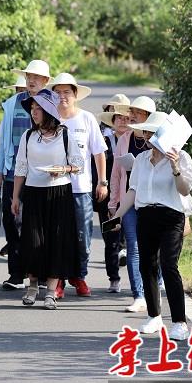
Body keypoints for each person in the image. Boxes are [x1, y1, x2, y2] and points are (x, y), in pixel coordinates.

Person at [111, 111, 192, 341]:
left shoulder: (182, 157)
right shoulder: (141, 159)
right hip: (146, 216)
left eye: (151, 132)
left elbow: (185, 189)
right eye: (146, 132)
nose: (147, 136)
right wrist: (117, 216)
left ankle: (179, 322)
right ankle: (154, 316)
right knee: (147, 265)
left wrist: (175, 166)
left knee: (169, 266)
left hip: (171, 217)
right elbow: (133, 191)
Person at [12, 89, 84, 310]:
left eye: (38, 109)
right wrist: (15, 196)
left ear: (48, 112)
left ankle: (51, 292)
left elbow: (78, 165)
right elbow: (21, 168)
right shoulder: (28, 136)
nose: (34, 113)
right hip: (33, 193)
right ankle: (33, 286)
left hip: (59, 193)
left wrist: (63, 169)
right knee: (33, 242)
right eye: (32, 109)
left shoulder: (65, 135)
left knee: (56, 242)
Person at [0, 59, 52, 290]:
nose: (31, 80)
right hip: (13, 172)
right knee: (12, 221)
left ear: (46, 81)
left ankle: (42, 274)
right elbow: (3, 140)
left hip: (42, 175)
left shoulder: (50, 104)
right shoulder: (12, 103)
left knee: (40, 225)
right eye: (29, 76)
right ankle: (16, 273)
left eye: (36, 77)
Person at [49, 73, 107, 298]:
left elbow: (99, 152)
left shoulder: (86, 119)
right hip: (55, 187)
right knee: (59, 236)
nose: (62, 97)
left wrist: (102, 181)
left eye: (67, 92)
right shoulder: (50, 118)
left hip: (81, 188)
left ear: (75, 95)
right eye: (58, 92)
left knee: (82, 237)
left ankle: (79, 276)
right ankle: (60, 280)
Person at [108, 96, 157, 313]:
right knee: (133, 247)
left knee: (155, 248)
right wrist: (113, 202)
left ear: (148, 117)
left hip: (154, 203)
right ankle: (138, 295)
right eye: (132, 111)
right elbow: (116, 174)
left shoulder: (157, 140)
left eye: (138, 112)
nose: (132, 116)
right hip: (130, 201)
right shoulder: (124, 139)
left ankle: (155, 286)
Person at [96, 101, 131, 292]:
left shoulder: (134, 141)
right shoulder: (105, 141)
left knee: (129, 237)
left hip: (130, 197)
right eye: (119, 118)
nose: (123, 122)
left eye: (127, 118)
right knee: (110, 238)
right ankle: (114, 278)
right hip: (108, 198)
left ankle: (137, 281)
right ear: (113, 120)